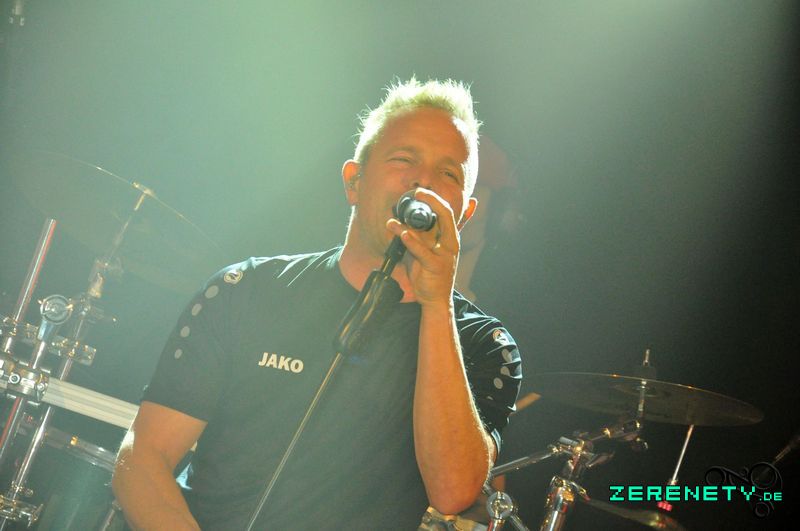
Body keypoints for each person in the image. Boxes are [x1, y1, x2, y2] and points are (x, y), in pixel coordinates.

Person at [111, 78, 522, 530]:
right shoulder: (247, 289)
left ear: (464, 214)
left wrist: (436, 304)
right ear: (353, 182)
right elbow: (144, 456)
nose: (423, 182)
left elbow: (453, 491)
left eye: (448, 174)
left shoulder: (484, 344)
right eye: (404, 159)